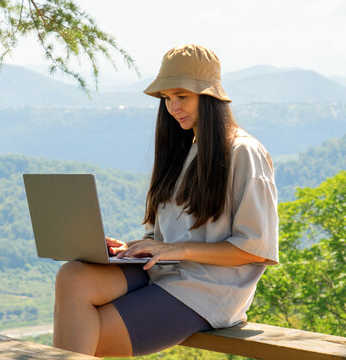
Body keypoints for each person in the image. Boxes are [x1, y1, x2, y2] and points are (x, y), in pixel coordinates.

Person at [53, 44, 279, 357]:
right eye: (167, 99)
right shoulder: (184, 149)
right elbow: (173, 235)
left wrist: (175, 249)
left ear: (210, 96)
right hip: (165, 270)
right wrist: (135, 248)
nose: (172, 107)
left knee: (84, 335)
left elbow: (256, 249)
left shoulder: (243, 152)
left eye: (181, 96)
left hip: (207, 288)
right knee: (73, 275)